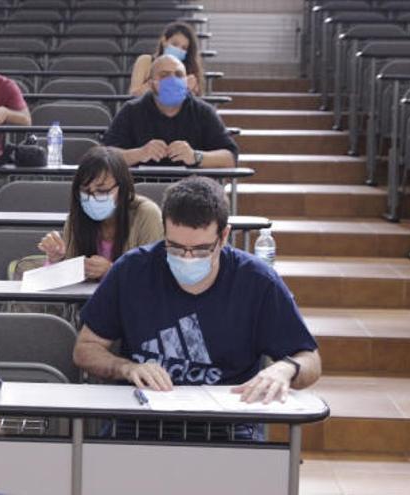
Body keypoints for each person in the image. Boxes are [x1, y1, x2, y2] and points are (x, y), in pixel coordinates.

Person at [73, 177, 321, 438]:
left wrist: (286, 368)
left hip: (229, 426)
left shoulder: (257, 281)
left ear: (224, 236)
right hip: (140, 421)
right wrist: (126, 368)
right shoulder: (132, 270)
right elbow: (85, 349)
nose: (187, 258)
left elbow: (311, 360)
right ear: (164, 231)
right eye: (176, 248)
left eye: (201, 250)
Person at [37, 146, 163, 281]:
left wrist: (112, 270)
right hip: (86, 301)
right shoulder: (77, 217)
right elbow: (66, 281)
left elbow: (154, 276)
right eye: (85, 191)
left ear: (123, 188)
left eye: (102, 191)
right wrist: (56, 260)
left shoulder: (146, 214)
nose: (92, 197)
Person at [104, 55, 238, 168]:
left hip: (193, 192)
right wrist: (139, 154)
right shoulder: (131, 110)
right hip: (140, 192)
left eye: (179, 75)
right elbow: (106, 155)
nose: (173, 80)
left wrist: (196, 156)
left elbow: (230, 157)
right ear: (151, 84)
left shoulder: (203, 111)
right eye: (164, 75)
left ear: (186, 82)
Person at [129, 22, 205, 97]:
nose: (178, 50)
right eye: (175, 44)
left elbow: (195, 102)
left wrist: (188, 88)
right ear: (164, 41)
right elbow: (134, 94)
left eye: (184, 48)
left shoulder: (189, 71)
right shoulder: (145, 61)